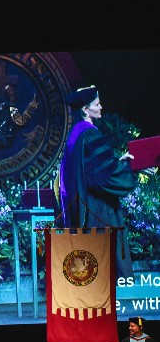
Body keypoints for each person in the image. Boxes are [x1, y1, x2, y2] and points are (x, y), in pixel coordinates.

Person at [58, 84, 138, 278]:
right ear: (85, 109)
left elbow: (92, 169)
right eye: (97, 104)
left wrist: (116, 161)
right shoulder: (90, 134)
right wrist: (131, 169)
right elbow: (104, 176)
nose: (101, 107)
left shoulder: (75, 133)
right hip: (98, 211)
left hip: (82, 208)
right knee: (105, 269)